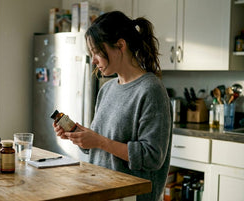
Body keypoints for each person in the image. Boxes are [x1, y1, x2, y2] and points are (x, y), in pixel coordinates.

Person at [52, 11, 172, 201]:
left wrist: (99, 141)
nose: (93, 60)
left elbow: (152, 157)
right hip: (100, 190)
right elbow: (103, 144)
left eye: (96, 52)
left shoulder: (151, 90)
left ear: (120, 45)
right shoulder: (107, 90)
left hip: (130, 196)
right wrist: (80, 135)